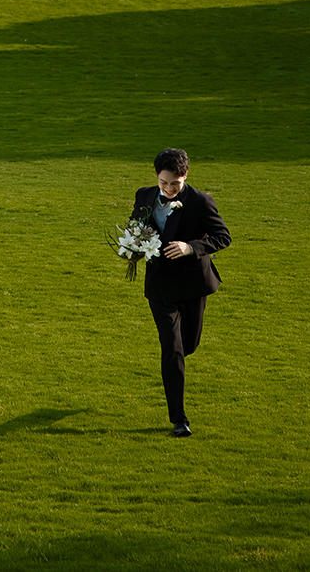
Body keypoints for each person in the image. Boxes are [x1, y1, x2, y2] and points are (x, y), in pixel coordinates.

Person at [130, 149, 230, 437]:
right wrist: (132, 247)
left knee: (189, 345)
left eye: (174, 183)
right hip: (160, 287)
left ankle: (176, 363)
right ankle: (179, 419)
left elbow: (223, 236)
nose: (168, 189)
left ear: (185, 176)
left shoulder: (200, 201)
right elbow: (136, 225)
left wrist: (190, 247)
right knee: (172, 350)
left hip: (192, 285)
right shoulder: (145, 196)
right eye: (163, 183)